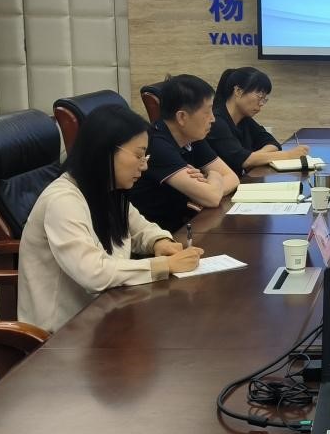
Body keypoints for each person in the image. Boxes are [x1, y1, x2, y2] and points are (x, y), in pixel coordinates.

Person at [18, 105, 204, 331]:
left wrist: (159, 242)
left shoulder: (106, 188)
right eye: (138, 155)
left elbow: (139, 228)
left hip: (105, 313)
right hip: (60, 335)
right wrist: (163, 265)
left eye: (145, 156)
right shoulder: (63, 200)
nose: (144, 165)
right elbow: (93, 272)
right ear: (104, 151)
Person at [129, 74, 240, 232]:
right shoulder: (156, 144)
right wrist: (214, 176)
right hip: (159, 235)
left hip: (187, 224)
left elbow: (232, 178)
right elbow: (212, 197)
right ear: (182, 117)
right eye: (207, 112)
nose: (213, 119)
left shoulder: (192, 136)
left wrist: (208, 186)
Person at [208, 66, 310, 173]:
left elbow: (273, 143)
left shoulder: (244, 119)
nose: (261, 103)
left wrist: (254, 158)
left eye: (264, 99)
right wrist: (289, 155)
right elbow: (241, 159)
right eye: (260, 96)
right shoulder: (215, 121)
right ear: (238, 91)